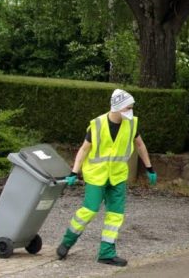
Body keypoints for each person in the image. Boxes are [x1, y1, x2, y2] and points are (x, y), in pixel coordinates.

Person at [56, 89, 157, 267]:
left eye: (132, 108)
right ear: (117, 107)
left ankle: (106, 253)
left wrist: (149, 167)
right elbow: (84, 149)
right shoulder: (97, 125)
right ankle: (66, 242)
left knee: (115, 215)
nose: (131, 112)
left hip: (117, 176)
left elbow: (140, 145)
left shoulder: (131, 124)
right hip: (96, 175)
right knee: (89, 210)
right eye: (128, 108)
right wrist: (74, 171)